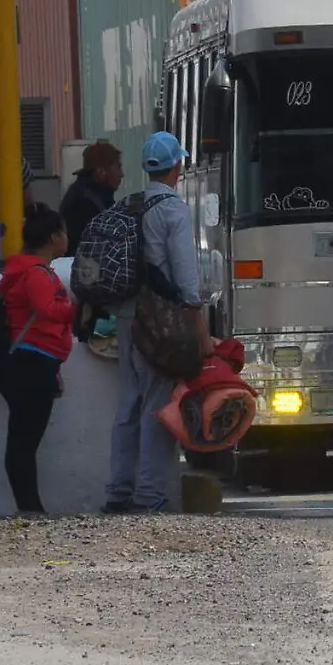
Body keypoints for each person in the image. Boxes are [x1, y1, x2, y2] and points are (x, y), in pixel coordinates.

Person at [104, 132, 214, 514]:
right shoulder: (173, 210)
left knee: (129, 403)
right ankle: (150, 494)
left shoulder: (130, 204)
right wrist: (201, 333)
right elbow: (185, 279)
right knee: (159, 403)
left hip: (126, 315)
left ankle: (119, 490)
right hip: (159, 322)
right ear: (178, 166)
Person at [0, 204, 75, 515]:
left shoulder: (24, 269)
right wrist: (77, 309)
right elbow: (49, 310)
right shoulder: (36, 274)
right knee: (25, 439)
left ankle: (30, 505)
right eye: (64, 232)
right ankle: (30, 507)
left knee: (23, 437)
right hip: (32, 362)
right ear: (54, 237)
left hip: (31, 362)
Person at [60, 141, 124, 256]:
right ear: (101, 172)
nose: (121, 174)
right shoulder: (85, 203)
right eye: (118, 167)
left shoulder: (87, 194)